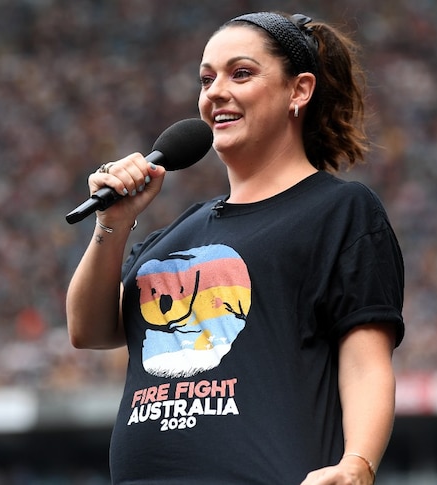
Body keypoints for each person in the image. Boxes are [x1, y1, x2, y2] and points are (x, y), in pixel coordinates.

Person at [66, 11, 405, 485]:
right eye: (206, 79)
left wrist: (358, 465)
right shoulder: (178, 232)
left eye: (240, 73)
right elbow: (89, 329)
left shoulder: (340, 210)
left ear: (299, 91)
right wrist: (113, 225)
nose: (215, 92)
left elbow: (366, 361)